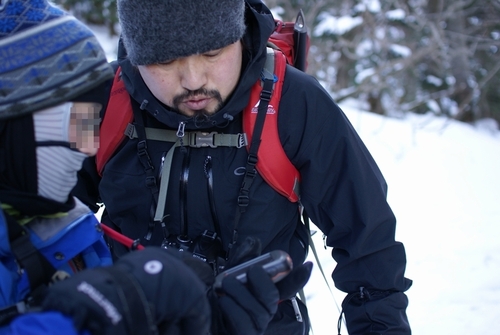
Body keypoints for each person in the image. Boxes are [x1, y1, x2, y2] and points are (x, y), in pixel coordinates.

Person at [74, 0, 413, 334]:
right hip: (127, 319)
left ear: (237, 36)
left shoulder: (296, 100)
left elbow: (366, 238)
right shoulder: (97, 100)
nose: (193, 79)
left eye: (213, 52)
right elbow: (50, 215)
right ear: (137, 56)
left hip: (267, 324)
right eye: (165, 60)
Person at [0, 1, 211, 334]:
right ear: (11, 128)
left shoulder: (71, 228)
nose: (89, 146)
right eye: (75, 122)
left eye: (94, 119)